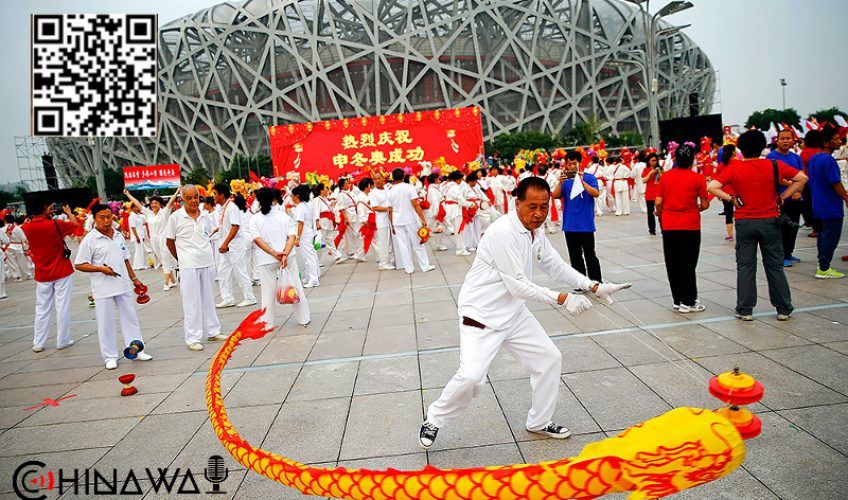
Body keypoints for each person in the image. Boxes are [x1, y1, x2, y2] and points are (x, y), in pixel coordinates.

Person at [418, 177, 629, 449]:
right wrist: (562, 299)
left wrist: (593, 286)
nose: (539, 214)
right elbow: (517, 284)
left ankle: (539, 422)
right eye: (532, 207)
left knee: (549, 359)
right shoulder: (503, 233)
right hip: (481, 316)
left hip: (514, 313)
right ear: (517, 203)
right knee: (471, 376)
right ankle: (434, 418)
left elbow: (555, 266)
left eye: (544, 206)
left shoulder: (534, 231)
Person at [707, 130, 808, 321]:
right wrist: (784, 197)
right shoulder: (773, 164)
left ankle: (745, 309)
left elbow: (711, 187)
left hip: (745, 221)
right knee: (774, 266)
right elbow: (802, 178)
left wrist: (732, 199)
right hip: (770, 220)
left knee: (745, 266)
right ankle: (783, 308)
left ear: (741, 149)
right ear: (763, 146)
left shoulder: (735, 168)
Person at [74, 204, 154, 369]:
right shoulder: (90, 239)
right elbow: (79, 264)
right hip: (102, 288)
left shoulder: (117, 235)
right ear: (94, 219)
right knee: (106, 323)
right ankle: (110, 356)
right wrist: (100, 269)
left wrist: (134, 279)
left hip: (123, 284)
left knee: (131, 319)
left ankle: (136, 350)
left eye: (108, 216)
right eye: (101, 217)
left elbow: (125, 259)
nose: (106, 220)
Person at [164, 185, 226, 351]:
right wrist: (181, 259)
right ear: (182, 200)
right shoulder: (176, 217)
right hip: (188, 266)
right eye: (189, 198)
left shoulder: (206, 216)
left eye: (196, 197)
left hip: (207, 262)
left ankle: (213, 331)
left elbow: (208, 236)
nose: (193, 201)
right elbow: (169, 241)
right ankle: (193, 338)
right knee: (191, 301)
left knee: (209, 298)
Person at [654, 144, 709, 313]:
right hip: (690, 225)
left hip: (670, 225)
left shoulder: (665, 177)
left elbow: (657, 202)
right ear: (692, 159)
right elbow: (705, 204)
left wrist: (662, 212)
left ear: (675, 158)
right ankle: (689, 301)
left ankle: (677, 300)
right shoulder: (697, 178)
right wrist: (695, 208)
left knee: (673, 263)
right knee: (688, 264)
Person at [20, 198, 78, 352]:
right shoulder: (55, 224)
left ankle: (38, 342)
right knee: (62, 306)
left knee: (42, 308)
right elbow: (75, 225)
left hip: (42, 272)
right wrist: (69, 213)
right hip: (61, 270)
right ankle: (62, 340)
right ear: (44, 207)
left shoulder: (26, 227)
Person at [249, 187, 310, 328]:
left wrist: (274, 253)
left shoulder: (255, 220)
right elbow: (291, 237)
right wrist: (284, 254)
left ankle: (267, 323)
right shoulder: (284, 217)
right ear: (273, 199)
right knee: (296, 286)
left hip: (266, 259)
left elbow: (257, 240)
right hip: (288, 258)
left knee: (267, 292)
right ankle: (304, 318)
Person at [552, 150, 603, 283]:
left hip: (585, 224)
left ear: (580, 163)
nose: (571, 167)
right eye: (569, 164)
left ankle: (596, 280)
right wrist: (560, 183)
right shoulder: (566, 180)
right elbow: (555, 195)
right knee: (575, 256)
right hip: (570, 224)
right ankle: (581, 282)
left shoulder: (590, 178)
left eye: (574, 164)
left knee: (590, 254)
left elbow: (595, 193)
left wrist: (582, 182)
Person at [807, 125, 848, 278]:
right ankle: (824, 268)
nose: (839, 141)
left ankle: (822, 264)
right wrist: (846, 197)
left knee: (823, 236)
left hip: (818, 205)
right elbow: (835, 182)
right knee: (831, 236)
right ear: (826, 143)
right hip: (830, 206)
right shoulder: (828, 160)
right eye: (836, 139)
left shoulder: (814, 158)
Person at [124, 189, 180, 290]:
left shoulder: (164, 213)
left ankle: (166, 283)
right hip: (153, 241)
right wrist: (128, 195)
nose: (154, 205)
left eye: (156, 203)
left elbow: (171, 201)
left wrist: (177, 191)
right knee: (163, 261)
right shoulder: (149, 213)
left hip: (163, 240)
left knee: (166, 260)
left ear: (160, 204)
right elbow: (138, 204)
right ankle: (173, 280)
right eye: (152, 203)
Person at [766, 129, 805, 266]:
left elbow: (802, 175)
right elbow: (775, 177)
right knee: (782, 229)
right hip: (780, 199)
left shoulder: (796, 157)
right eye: (782, 138)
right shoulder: (771, 157)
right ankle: (781, 256)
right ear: (777, 140)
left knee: (793, 227)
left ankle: (789, 253)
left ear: (793, 140)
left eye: (788, 138)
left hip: (796, 199)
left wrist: (798, 190)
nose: (785, 141)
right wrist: (792, 186)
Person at [214, 184, 257, 308]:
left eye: (215, 194)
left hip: (234, 246)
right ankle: (227, 298)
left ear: (222, 195)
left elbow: (235, 226)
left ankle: (250, 297)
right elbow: (226, 226)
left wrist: (225, 243)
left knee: (240, 272)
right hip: (227, 247)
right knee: (223, 272)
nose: (214, 196)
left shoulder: (231, 207)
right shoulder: (225, 207)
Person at [387, 167, 435, 274]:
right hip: (410, 219)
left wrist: (392, 225)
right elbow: (416, 205)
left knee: (403, 246)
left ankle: (409, 269)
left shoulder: (390, 191)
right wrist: (423, 219)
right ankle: (425, 266)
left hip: (397, 221)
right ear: (404, 176)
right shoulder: (409, 188)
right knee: (418, 243)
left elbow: (390, 211)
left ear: (393, 178)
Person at [291, 184, 320, 287]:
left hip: (304, 234)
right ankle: (310, 276)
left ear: (297, 196)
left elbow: (300, 223)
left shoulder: (300, 207)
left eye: (292, 195)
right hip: (308, 232)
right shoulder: (306, 205)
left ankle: (313, 279)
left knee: (309, 257)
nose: (291, 198)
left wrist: (297, 238)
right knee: (309, 256)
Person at [368, 174, 394, 269]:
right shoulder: (373, 193)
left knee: (391, 242)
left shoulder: (387, 190)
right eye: (375, 179)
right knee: (383, 242)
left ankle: (391, 260)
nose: (377, 180)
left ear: (383, 178)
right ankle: (383, 263)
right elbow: (375, 207)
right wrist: (388, 209)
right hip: (382, 221)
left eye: (379, 178)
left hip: (391, 219)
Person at [714, 145, 738, 241]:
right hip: (737, 192)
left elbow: (717, 179)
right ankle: (740, 232)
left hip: (725, 193)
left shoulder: (721, 165)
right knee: (740, 212)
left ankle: (730, 235)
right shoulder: (738, 163)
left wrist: (718, 193)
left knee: (728, 213)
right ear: (733, 152)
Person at [4, 214, 31, 281]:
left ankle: (17, 276)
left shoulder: (3, 228)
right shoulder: (17, 227)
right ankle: (28, 274)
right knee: (22, 261)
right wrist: (27, 244)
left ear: (5, 220)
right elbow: (23, 238)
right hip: (18, 246)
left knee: (12, 263)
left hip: (8, 246)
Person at [642, 153, 663, 235]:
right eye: (653, 160)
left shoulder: (660, 168)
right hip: (650, 194)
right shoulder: (646, 169)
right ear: (649, 161)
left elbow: (664, 179)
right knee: (650, 213)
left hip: (659, 193)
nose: (654, 162)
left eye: (656, 160)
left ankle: (663, 228)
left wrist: (660, 173)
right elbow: (643, 180)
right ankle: (652, 229)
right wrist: (650, 173)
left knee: (661, 211)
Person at [127, 204, 149, 270]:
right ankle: (138, 265)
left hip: (141, 233)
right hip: (137, 235)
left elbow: (142, 224)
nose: (137, 208)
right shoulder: (132, 216)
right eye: (135, 207)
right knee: (138, 250)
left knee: (141, 250)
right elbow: (133, 227)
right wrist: (137, 237)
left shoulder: (138, 215)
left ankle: (140, 264)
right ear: (133, 208)